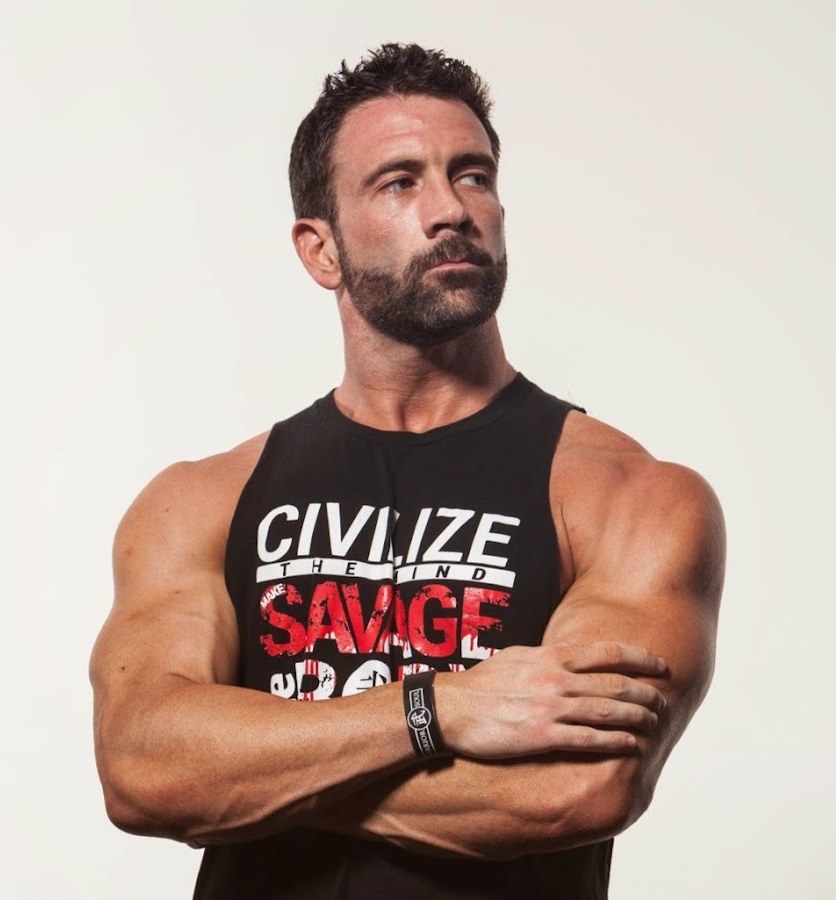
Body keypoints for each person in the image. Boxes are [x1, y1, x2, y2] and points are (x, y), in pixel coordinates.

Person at [90, 43, 725, 900]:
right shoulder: (201, 500)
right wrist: (439, 711)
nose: (451, 210)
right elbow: (142, 765)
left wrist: (247, 774)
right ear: (321, 251)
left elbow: (572, 787)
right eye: (399, 182)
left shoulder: (629, 496)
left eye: (473, 176)